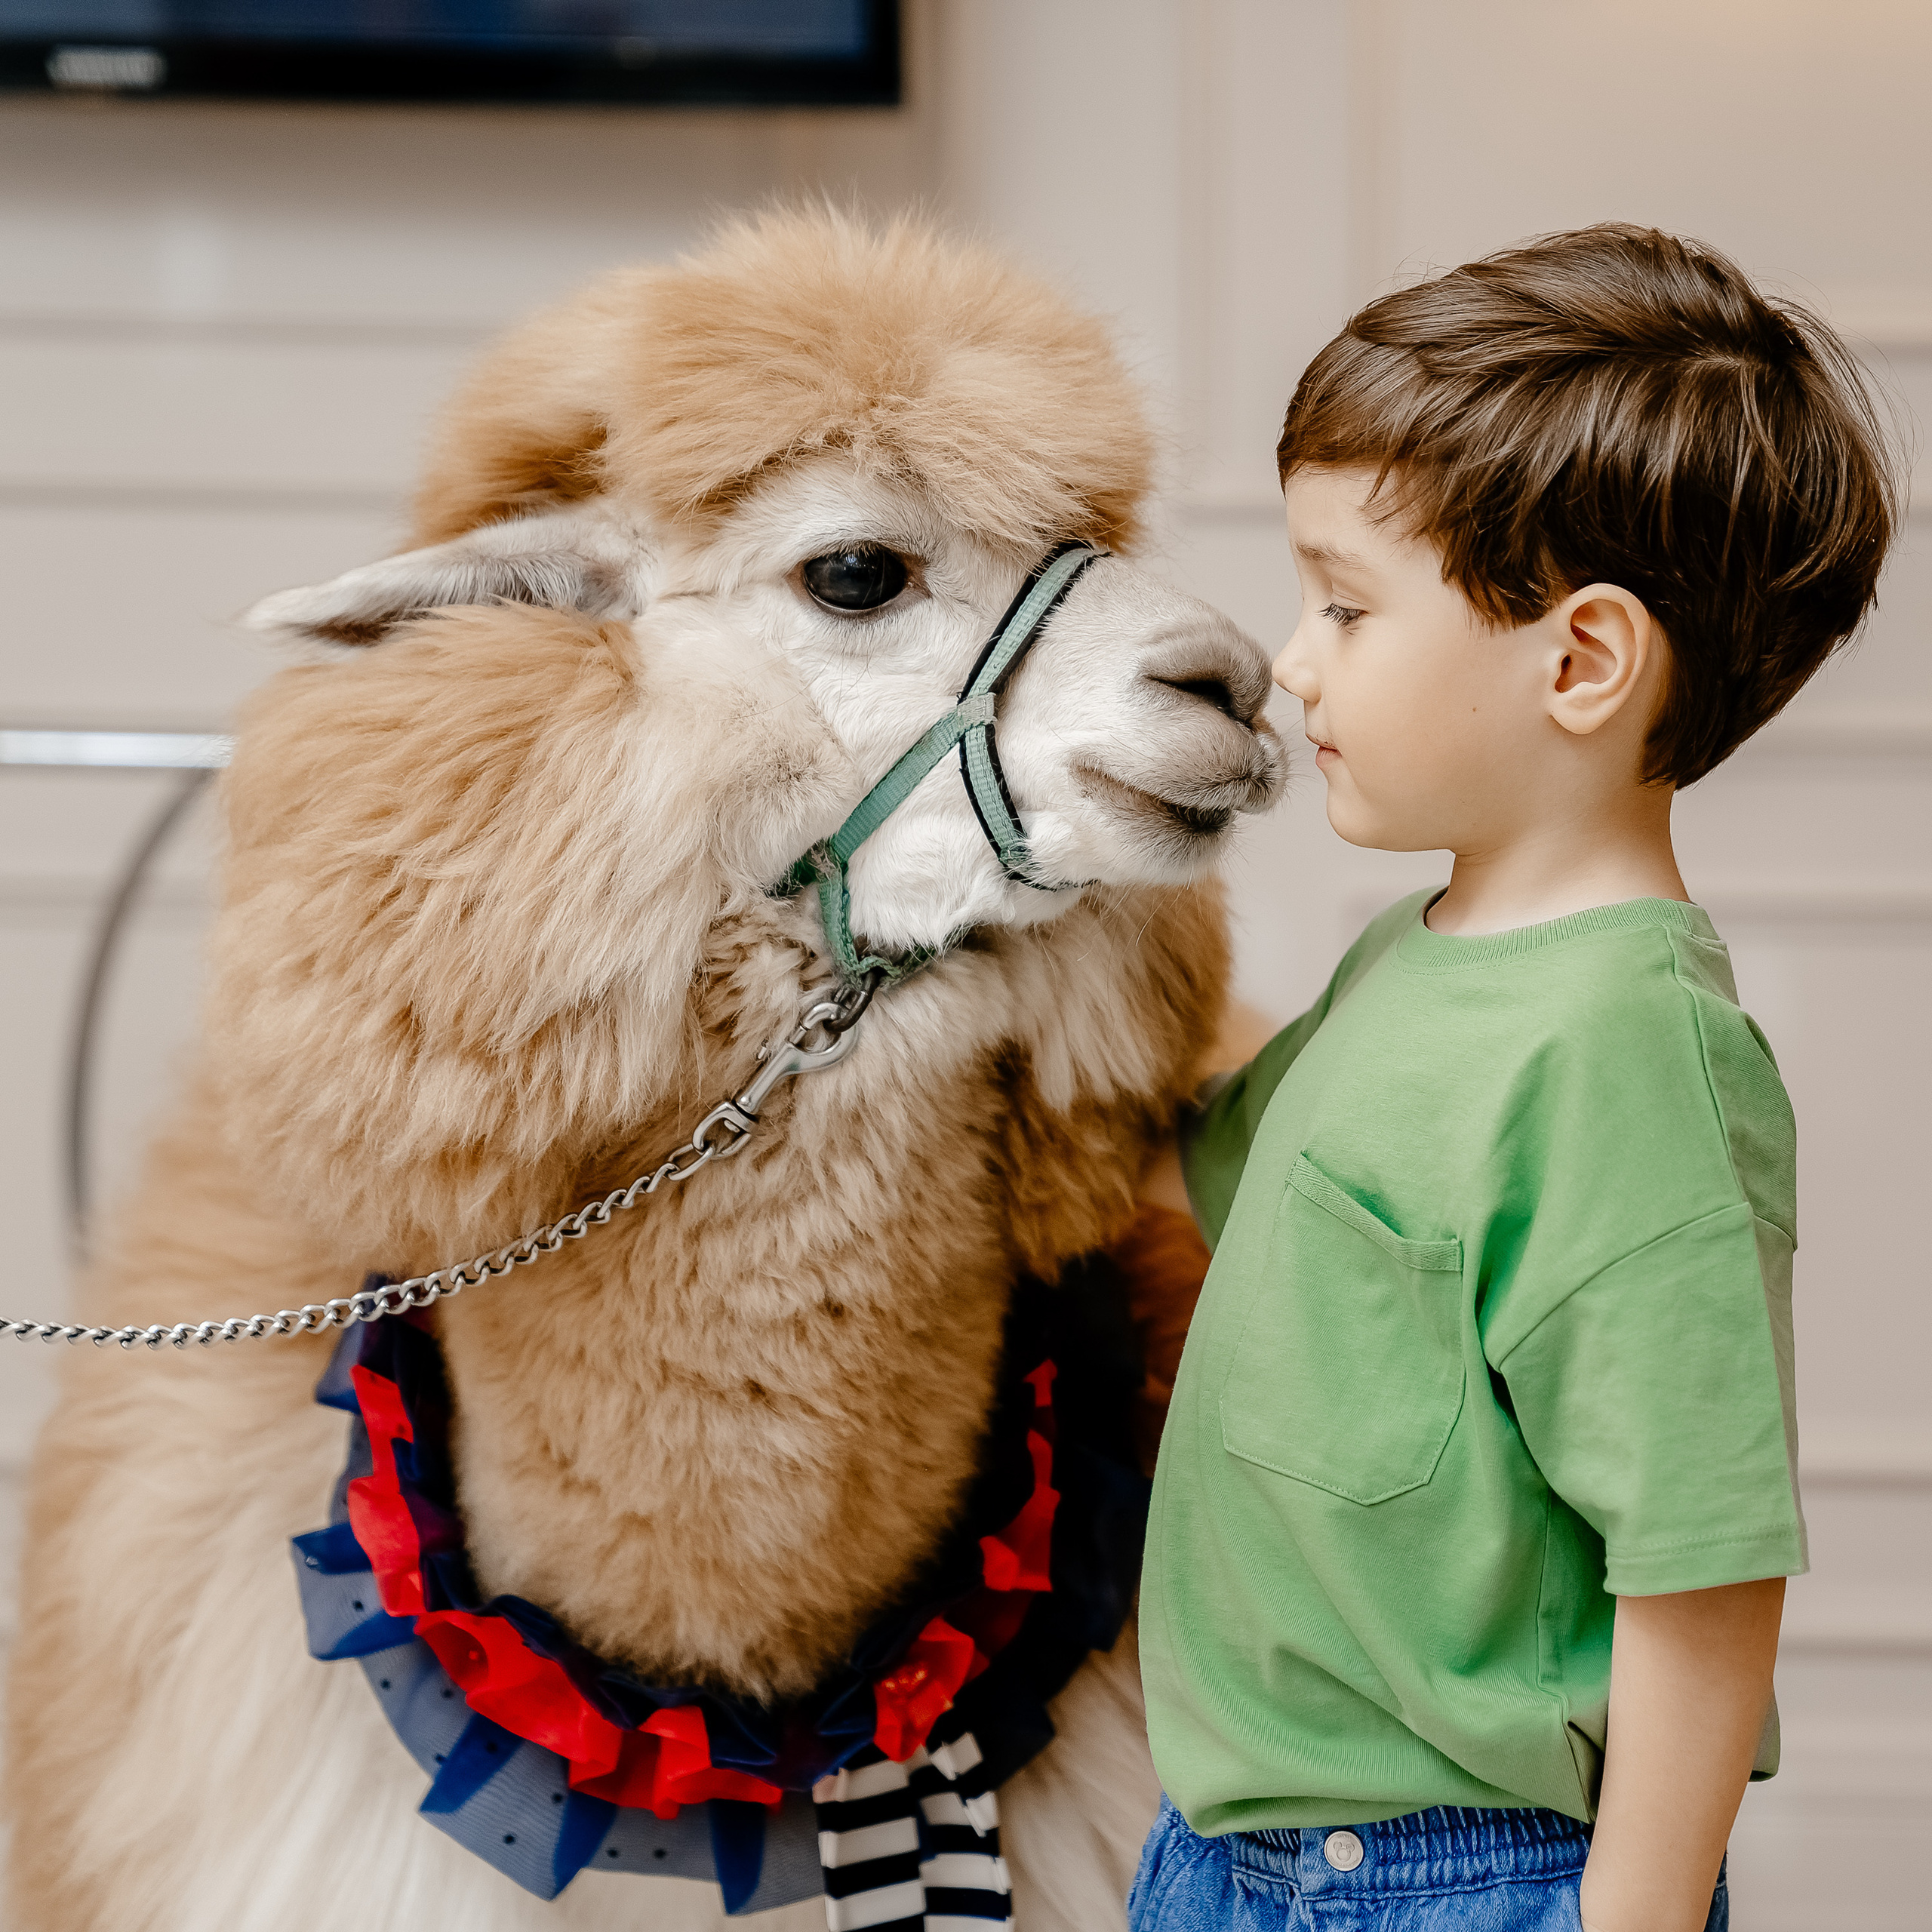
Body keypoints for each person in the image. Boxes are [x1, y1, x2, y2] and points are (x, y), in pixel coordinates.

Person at [1131, 225, 1895, 1932]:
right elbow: (1194, 1185)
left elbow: (1700, 1574)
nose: (1292, 658)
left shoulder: (1627, 1055)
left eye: (1343, 601)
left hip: (1447, 1882)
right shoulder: (1419, 953)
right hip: (1228, 1846)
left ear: (1576, 661)